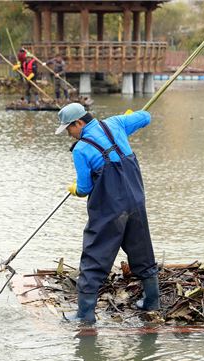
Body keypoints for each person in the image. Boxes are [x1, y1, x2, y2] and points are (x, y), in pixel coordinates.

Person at [55, 103, 159, 323]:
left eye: (69, 129)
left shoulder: (81, 149)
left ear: (79, 123)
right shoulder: (116, 123)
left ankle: (85, 314)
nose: (68, 134)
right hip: (135, 201)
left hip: (109, 210)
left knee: (95, 256)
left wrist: (74, 189)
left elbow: (84, 189)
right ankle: (152, 301)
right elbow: (146, 116)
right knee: (141, 249)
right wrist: (127, 118)